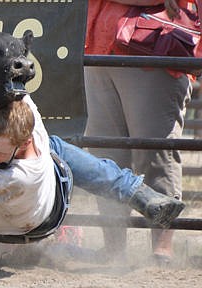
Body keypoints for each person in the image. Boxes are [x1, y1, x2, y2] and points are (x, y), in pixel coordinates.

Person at [0, 82, 185, 247]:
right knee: (55, 145)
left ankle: (56, 243)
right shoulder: (30, 120)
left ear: (24, 142)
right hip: (52, 185)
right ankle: (142, 196)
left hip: (28, 224)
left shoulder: (14, 177)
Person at [84, 0, 196, 265]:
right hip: (99, 49)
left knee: (155, 154)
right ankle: (114, 248)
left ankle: (162, 248)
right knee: (106, 156)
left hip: (151, 49)